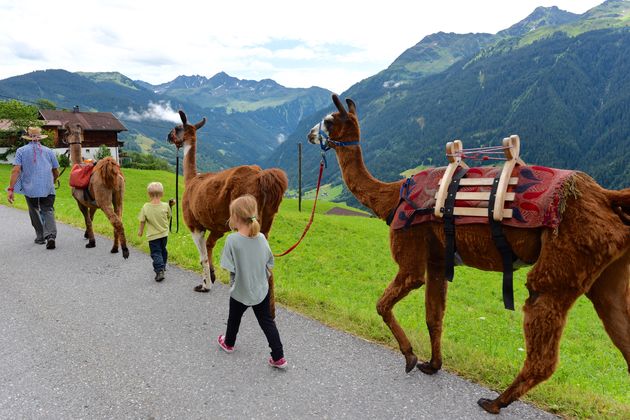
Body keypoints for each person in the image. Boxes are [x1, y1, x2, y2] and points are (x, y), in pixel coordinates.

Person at [217, 194, 287, 369]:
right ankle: (279, 357)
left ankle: (229, 343)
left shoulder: (232, 240)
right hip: (261, 289)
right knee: (267, 322)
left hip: (240, 289)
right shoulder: (262, 238)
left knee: (234, 318)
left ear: (235, 217)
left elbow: (228, 266)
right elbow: (270, 262)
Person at [6, 127, 59, 249]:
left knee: (33, 210)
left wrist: (11, 189)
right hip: (48, 187)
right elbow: (55, 170)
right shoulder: (49, 151)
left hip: (30, 188)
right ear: (40, 137)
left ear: (28, 137)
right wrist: (54, 180)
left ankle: (40, 237)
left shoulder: (21, 151)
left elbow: (16, 170)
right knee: (48, 209)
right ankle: (50, 236)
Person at [138, 182, 174, 282]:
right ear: (162, 194)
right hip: (164, 234)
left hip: (153, 236)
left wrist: (140, 231)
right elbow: (169, 216)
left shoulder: (146, 207)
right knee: (163, 250)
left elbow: (142, 220)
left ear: (149, 194)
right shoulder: (166, 206)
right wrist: (171, 206)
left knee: (156, 253)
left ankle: (159, 270)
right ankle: (163, 265)